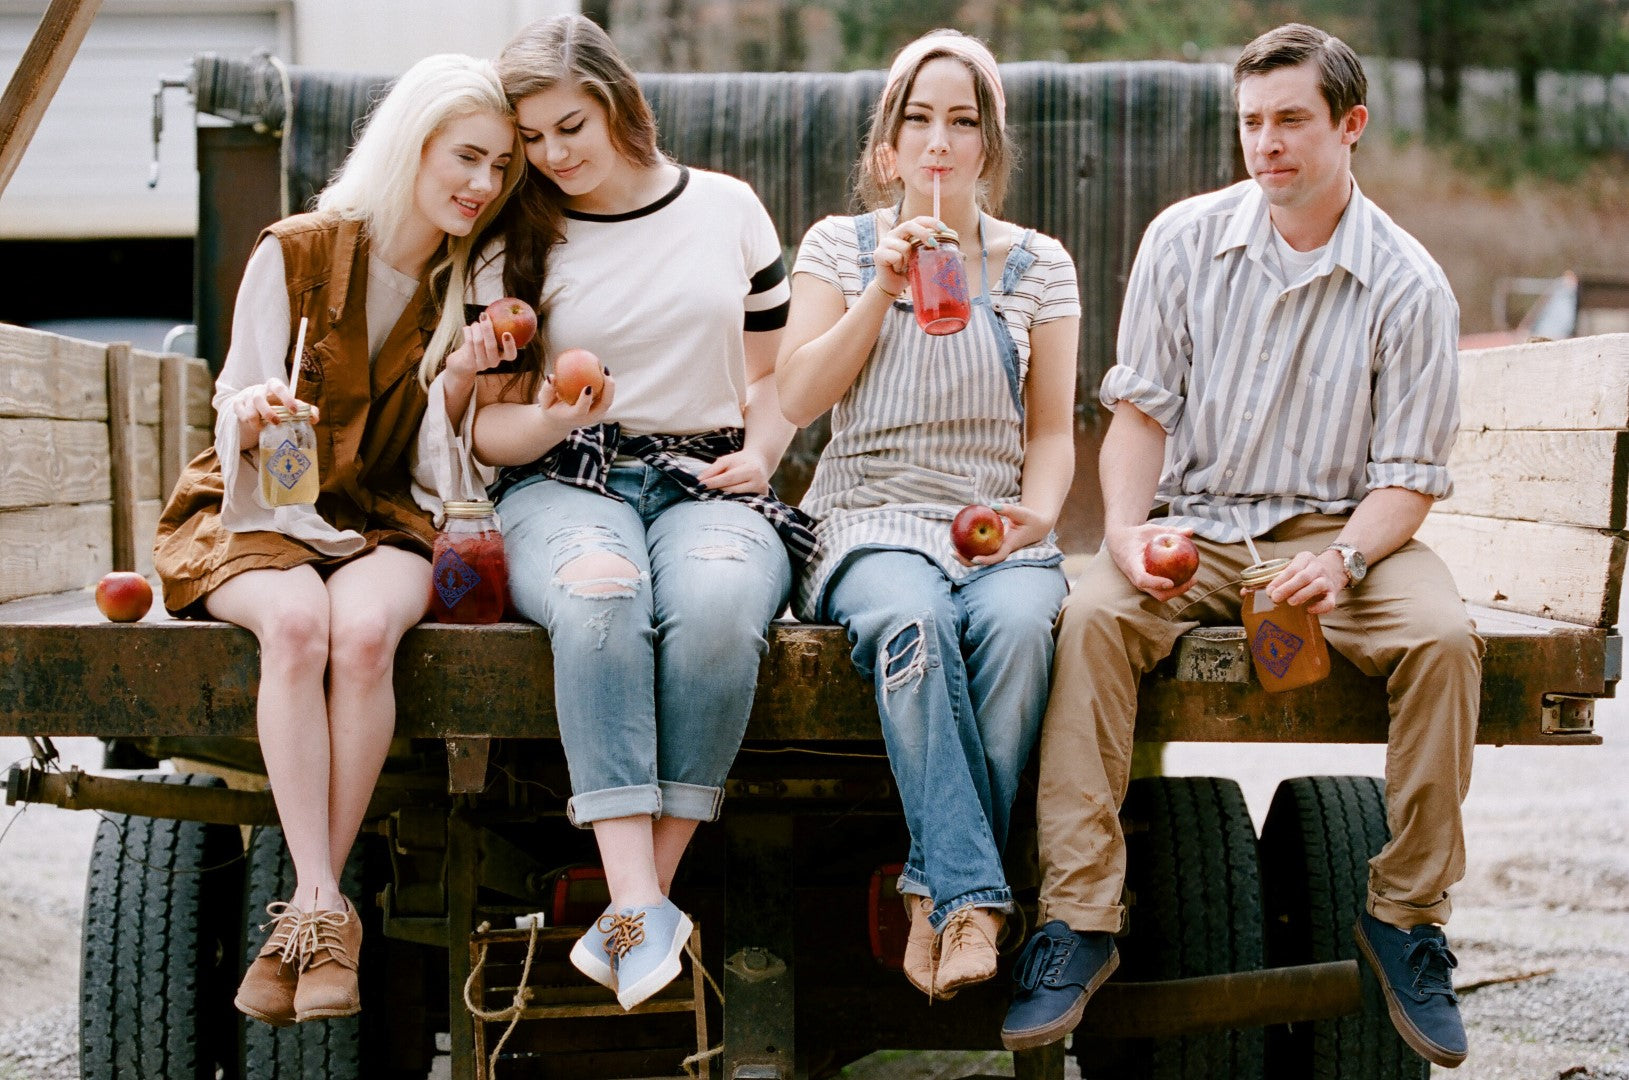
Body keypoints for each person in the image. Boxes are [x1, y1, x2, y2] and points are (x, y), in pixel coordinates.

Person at [1000, 23, 1480, 1068]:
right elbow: (1141, 416)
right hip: (1200, 528)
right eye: (1252, 122)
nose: (1267, 143)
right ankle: (1079, 920)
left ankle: (1406, 918)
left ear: (1349, 127)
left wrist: (1346, 560)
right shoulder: (1183, 239)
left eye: (1292, 121)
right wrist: (1124, 533)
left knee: (1444, 639)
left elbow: (1407, 481)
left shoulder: (1409, 284)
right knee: (1086, 618)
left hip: (1339, 537)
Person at [446, 14, 807, 1012]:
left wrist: (761, 453)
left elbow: (775, 376)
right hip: (564, 478)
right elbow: (490, 433)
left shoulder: (727, 209)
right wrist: (552, 412)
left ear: (616, 102)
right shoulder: (512, 239)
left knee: (722, 610)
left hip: (709, 477)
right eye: (532, 139)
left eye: (571, 126)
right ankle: (642, 902)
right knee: (603, 597)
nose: (553, 155)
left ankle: (638, 902)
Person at [153, 53, 522, 1026]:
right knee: (299, 629)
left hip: (382, 512)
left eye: (499, 170)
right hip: (265, 507)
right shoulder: (300, 249)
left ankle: (309, 917)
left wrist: (465, 378)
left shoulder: (466, 278)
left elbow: (441, 457)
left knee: (362, 639)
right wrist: (259, 404)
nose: (483, 185)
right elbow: (237, 384)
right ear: (414, 144)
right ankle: (323, 902)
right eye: (467, 157)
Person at [777, 29, 1080, 1000]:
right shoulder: (841, 245)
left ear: (988, 148)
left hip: (989, 525)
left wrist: (1037, 515)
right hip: (868, 518)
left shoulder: (1037, 266)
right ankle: (978, 899)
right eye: (919, 120)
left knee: (1022, 629)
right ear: (886, 149)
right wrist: (883, 290)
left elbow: (1050, 433)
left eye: (963, 122)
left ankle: (932, 894)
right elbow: (796, 394)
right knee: (914, 624)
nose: (939, 142)